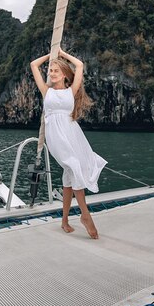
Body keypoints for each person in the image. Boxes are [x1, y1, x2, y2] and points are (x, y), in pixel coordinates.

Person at [30, 48, 107, 239]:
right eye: (50, 70)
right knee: (73, 166)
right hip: (55, 135)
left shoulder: (71, 91)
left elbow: (79, 65)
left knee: (69, 176)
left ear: (64, 74)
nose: (51, 73)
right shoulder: (45, 91)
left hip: (72, 132)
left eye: (56, 70)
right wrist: (51, 56)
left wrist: (62, 54)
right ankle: (85, 215)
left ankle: (64, 221)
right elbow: (34, 65)